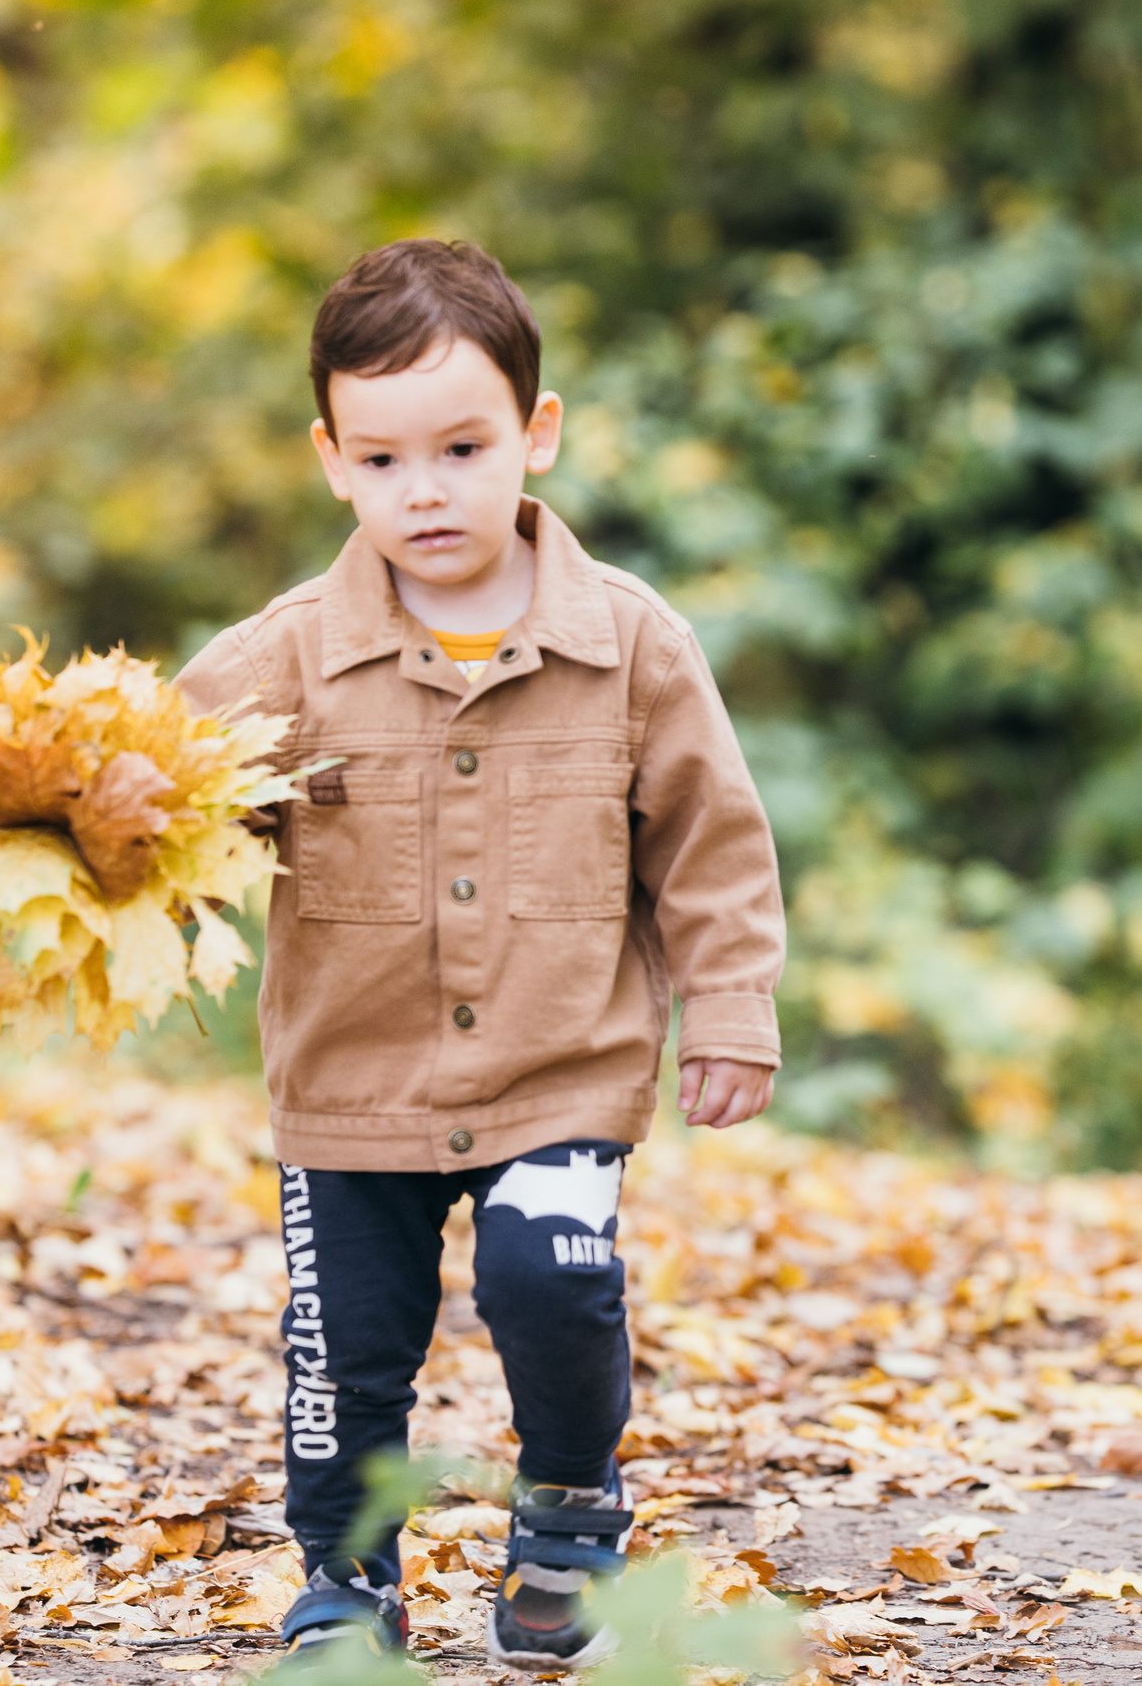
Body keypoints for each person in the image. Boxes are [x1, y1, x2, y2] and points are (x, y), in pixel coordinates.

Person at [175, 239, 787, 1663]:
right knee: (345, 1351)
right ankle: (345, 1580)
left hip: (559, 1061)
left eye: (462, 446)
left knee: (549, 1277)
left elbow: (709, 835)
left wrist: (734, 1005)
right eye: (384, 459)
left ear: (538, 433)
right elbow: (156, 791)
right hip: (351, 1080)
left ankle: (570, 1512)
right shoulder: (278, 660)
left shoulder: (631, 646)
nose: (426, 489)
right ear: (331, 459)